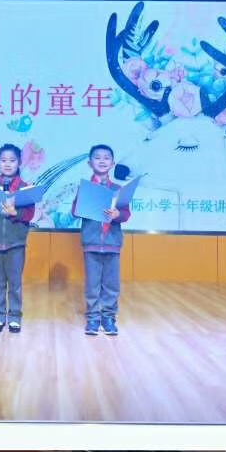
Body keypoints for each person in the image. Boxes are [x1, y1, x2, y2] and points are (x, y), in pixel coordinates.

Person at [0, 144, 36, 335]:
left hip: (16, 242)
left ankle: (14, 318)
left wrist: (14, 212)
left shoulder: (25, 188)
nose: (8, 164)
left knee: (15, 282)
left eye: (12, 160)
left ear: (19, 163)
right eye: (3, 160)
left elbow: (29, 214)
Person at [80, 143, 131, 337]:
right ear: (89, 163)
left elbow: (126, 214)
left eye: (106, 158)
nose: (102, 161)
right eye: (97, 157)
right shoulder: (85, 187)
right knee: (92, 284)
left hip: (112, 243)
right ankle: (93, 318)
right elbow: (75, 211)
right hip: (91, 243)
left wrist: (117, 214)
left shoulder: (118, 189)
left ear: (113, 163)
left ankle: (108, 318)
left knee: (111, 284)